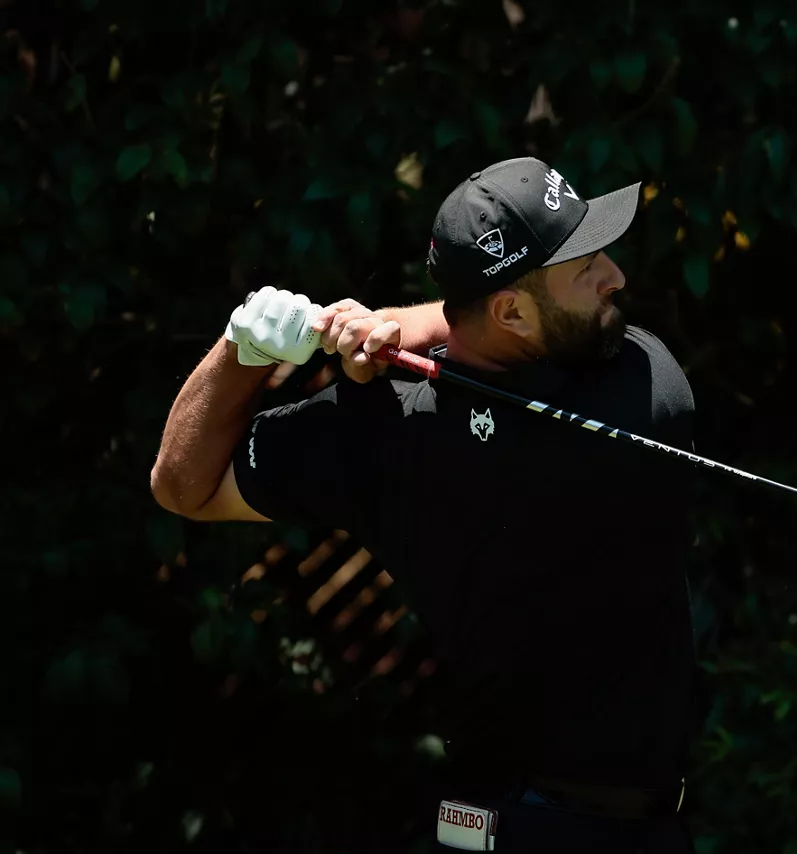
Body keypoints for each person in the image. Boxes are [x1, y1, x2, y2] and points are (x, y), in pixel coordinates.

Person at [150, 157, 700, 853]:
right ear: (512, 311)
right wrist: (397, 330)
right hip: (592, 829)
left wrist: (245, 348)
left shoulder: (383, 430)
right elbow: (465, 329)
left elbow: (182, 485)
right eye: (586, 266)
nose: (615, 277)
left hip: (487, 825)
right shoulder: (645, 395)